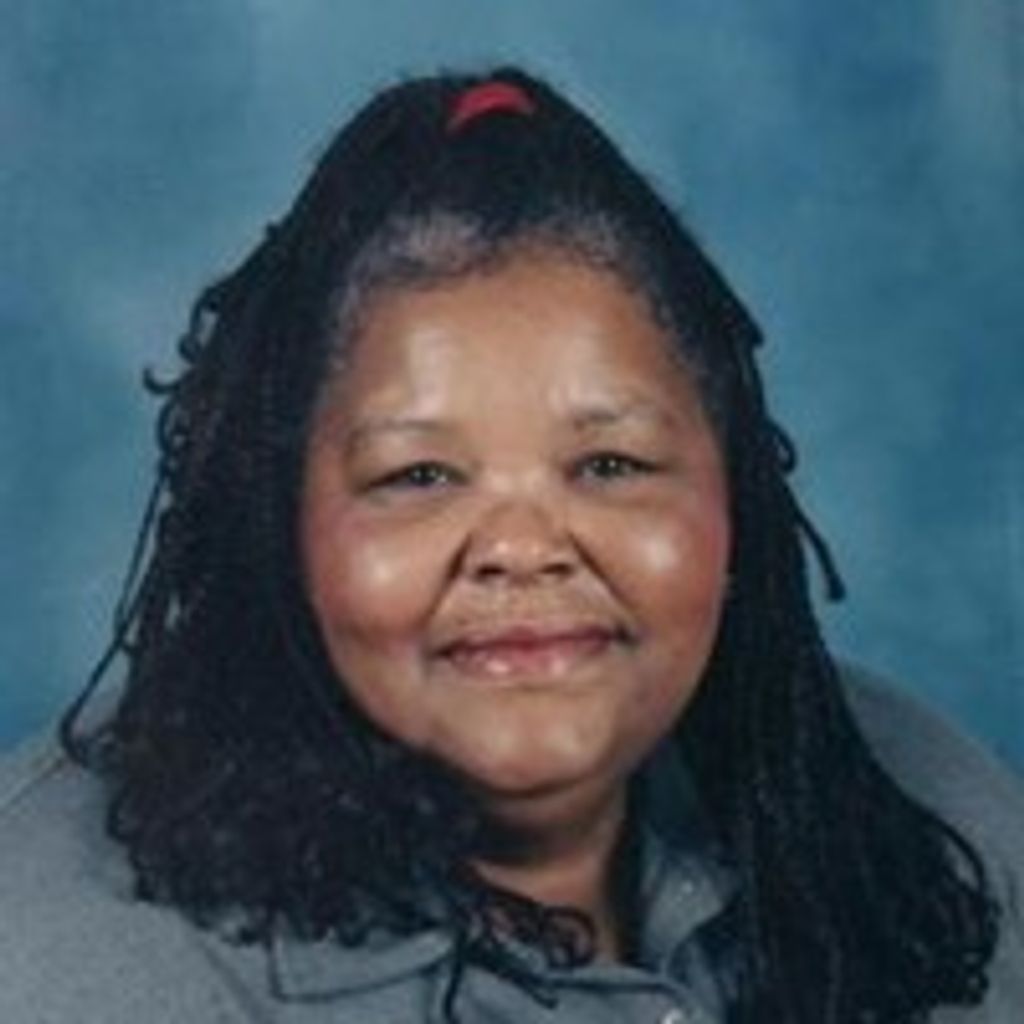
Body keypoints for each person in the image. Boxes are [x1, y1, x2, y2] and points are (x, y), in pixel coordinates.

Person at [1, 67, 1021, 1024]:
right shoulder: (59, 959)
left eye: (611, 463)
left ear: (734, 496)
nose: (524, 548)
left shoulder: (931, 819)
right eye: (419, 475)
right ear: (281, 527)